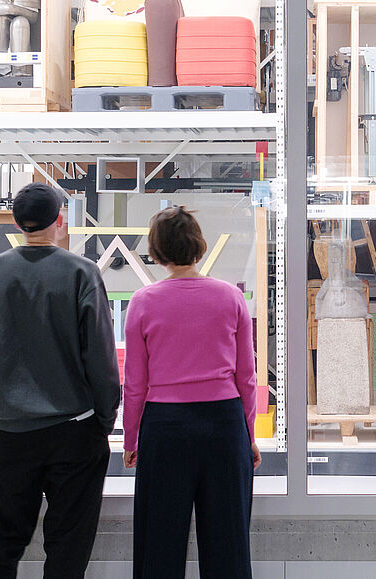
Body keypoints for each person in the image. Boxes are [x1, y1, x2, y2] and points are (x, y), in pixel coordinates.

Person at [0, 182, 120, 579]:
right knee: (67, 550)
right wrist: (103, 419)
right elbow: (101, 361)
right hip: (74, 433)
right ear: (60, 221)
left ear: (17, 224)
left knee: (2, 547)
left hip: (11, 435)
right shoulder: (82, 273)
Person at [122, 206, 261, 578]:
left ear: (156, 252)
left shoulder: (143, 302)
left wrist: (131, 439)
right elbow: (246, 376)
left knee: (159, 545)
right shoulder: (230, 297)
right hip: (224, 424)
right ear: (198, 246)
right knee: (228, 545)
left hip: (165, 429)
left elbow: (134, 382)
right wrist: (248, 435)